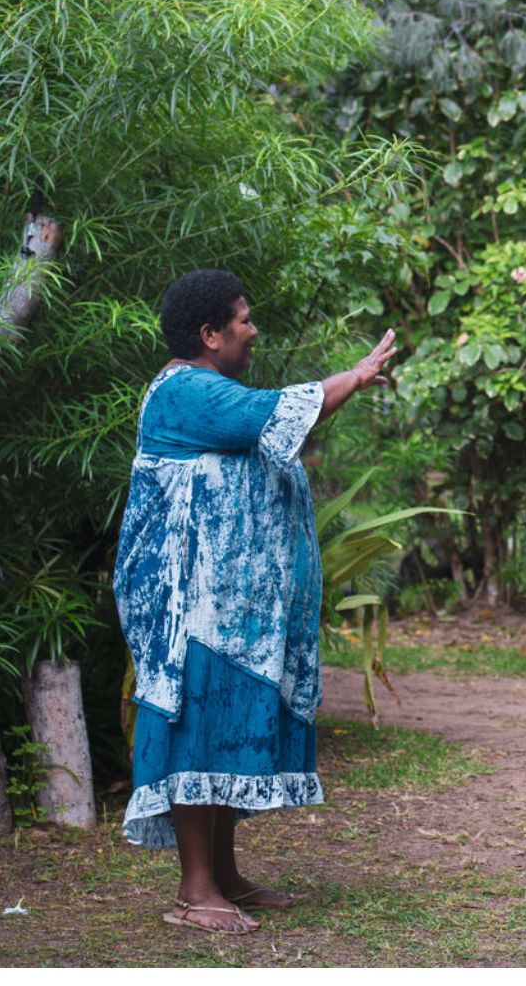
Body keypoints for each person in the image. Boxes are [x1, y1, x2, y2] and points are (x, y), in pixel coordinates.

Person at [114, 269, 397, 934]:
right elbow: (267, 415)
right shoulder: (186, 391)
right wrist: (352, 378)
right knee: (195, 735)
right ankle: (193, 893)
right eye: (242, 319)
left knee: (220, 733)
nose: (252, 328)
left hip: (228, 613)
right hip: (191, 610)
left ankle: (225, 877)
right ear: (209, 335)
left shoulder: (207, 388)